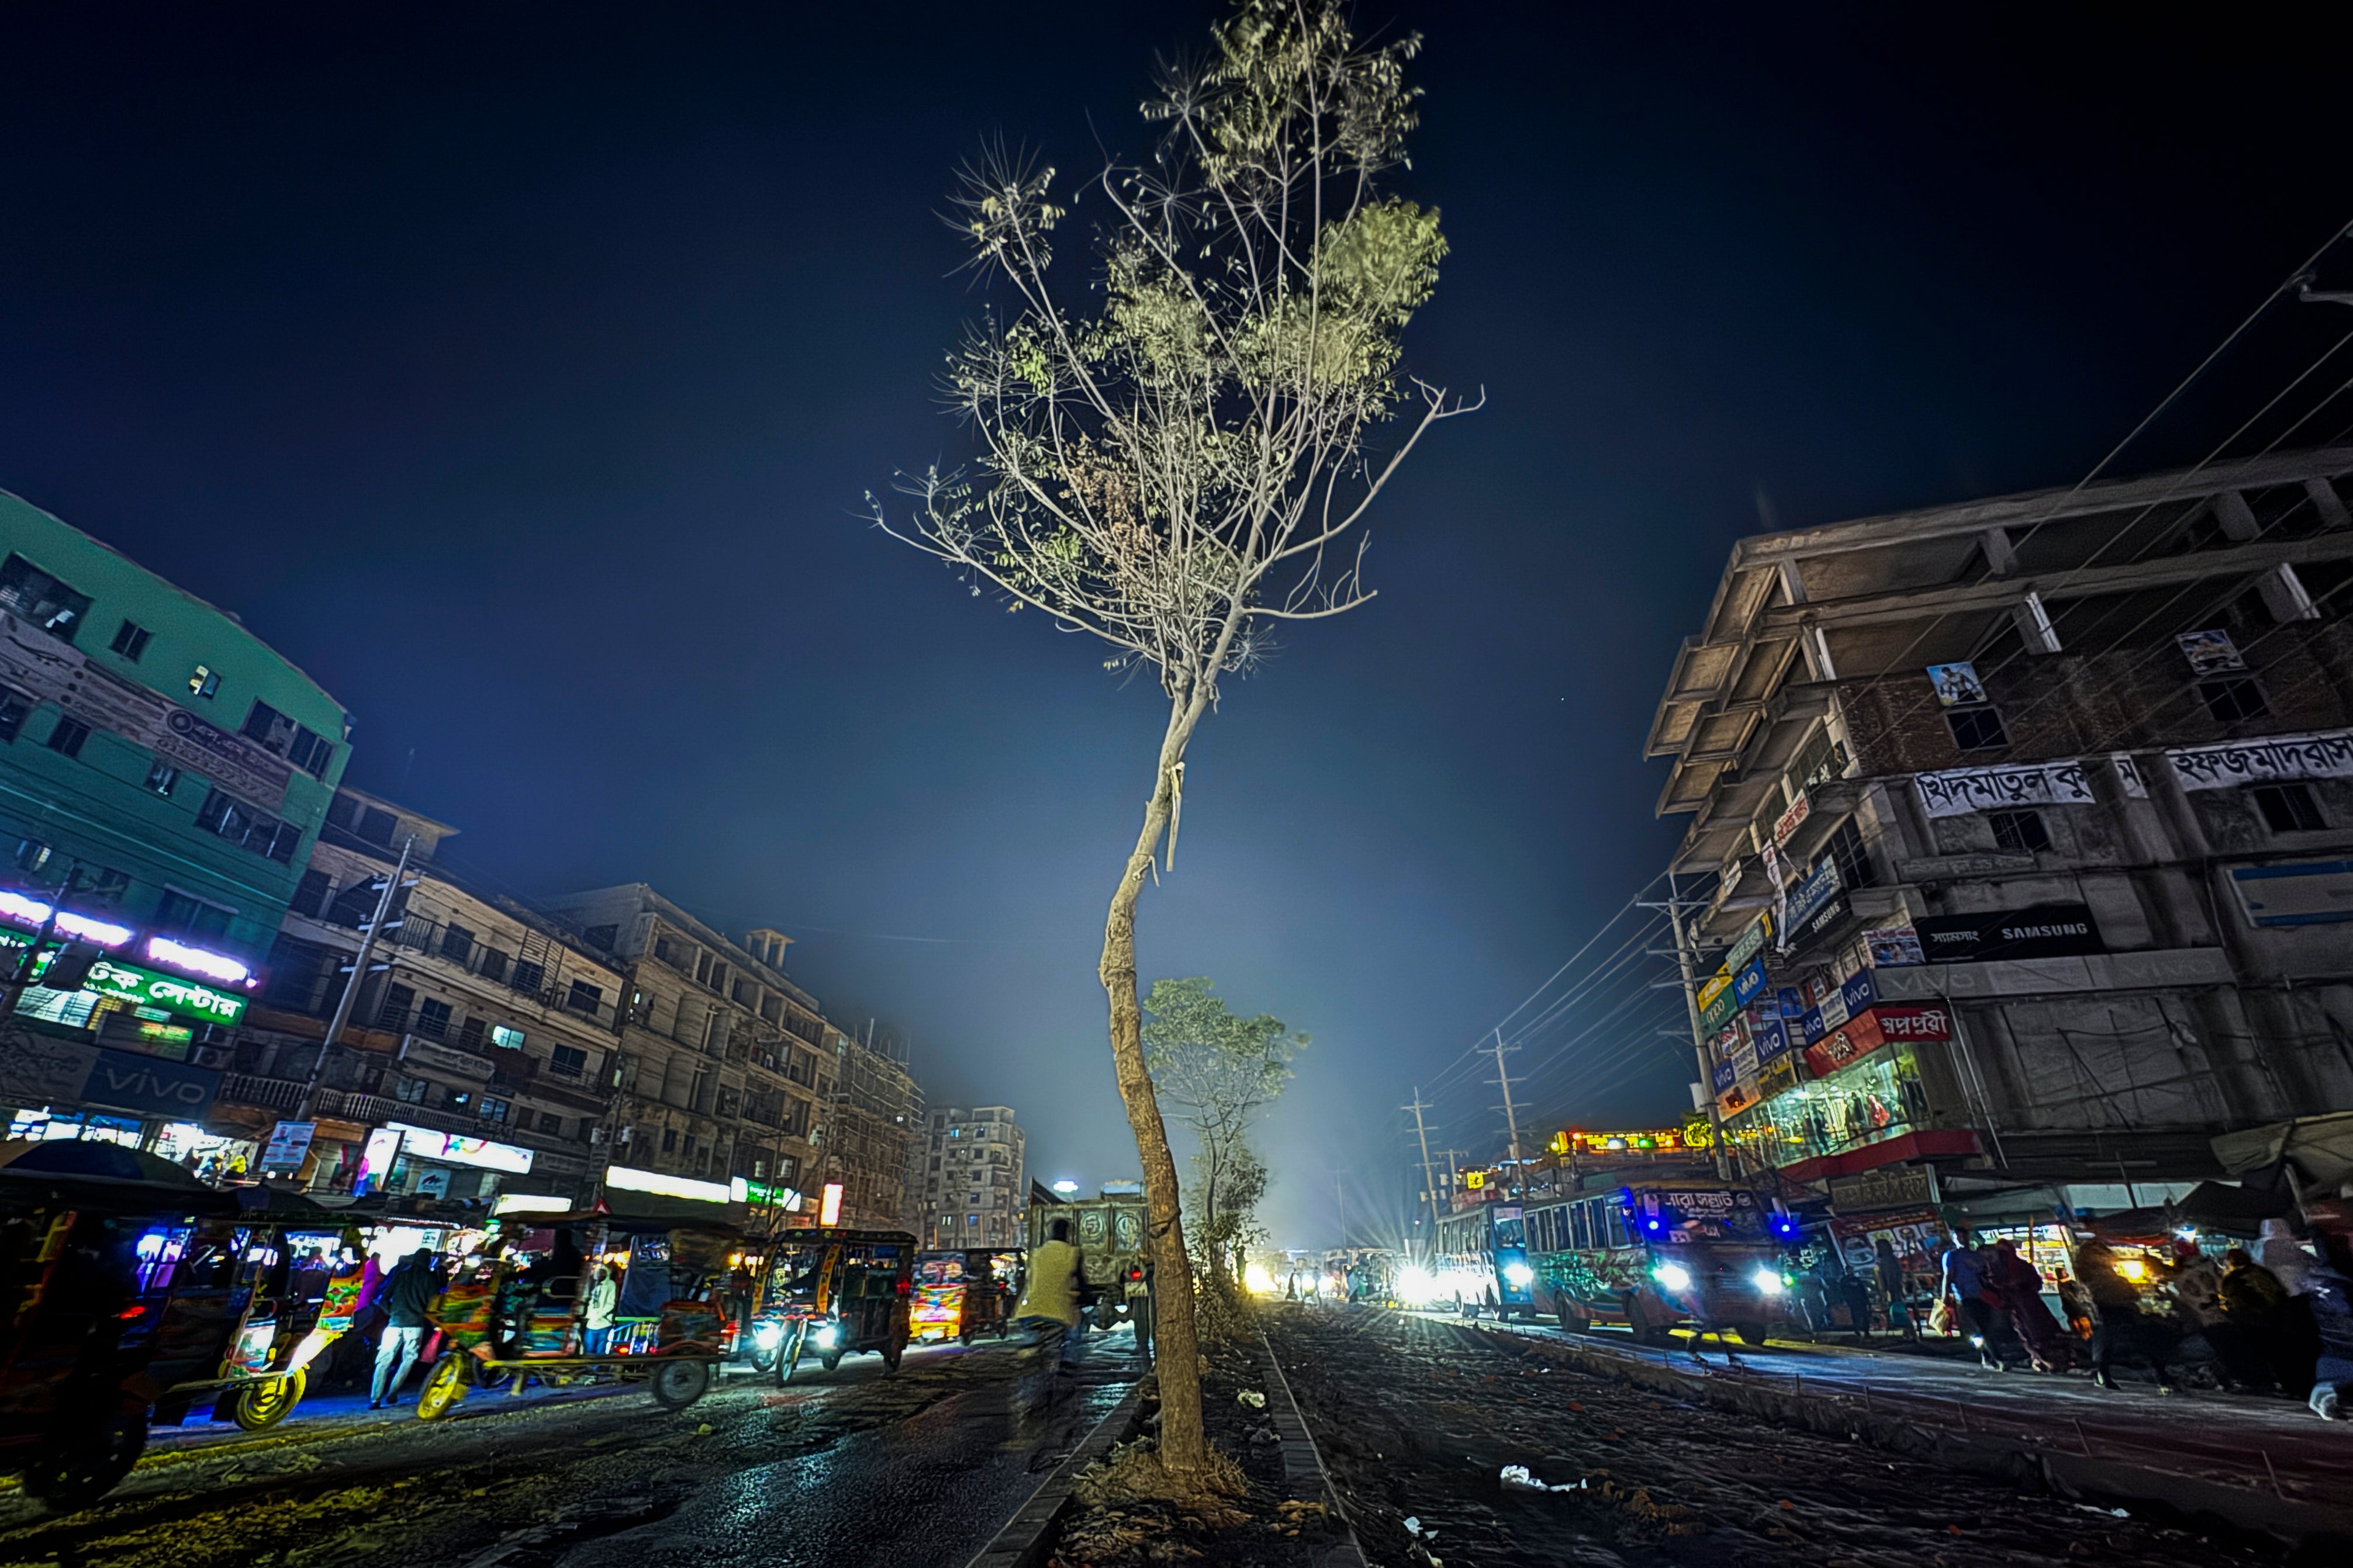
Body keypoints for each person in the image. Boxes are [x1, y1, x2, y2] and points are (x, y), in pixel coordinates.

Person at [371, 1247, 442, 1409]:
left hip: (394, 1324)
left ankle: (375, 1399)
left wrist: (393, 1313)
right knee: (408, 1360)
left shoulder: (401, 1275)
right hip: (415, 1325)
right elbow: (434, 1302)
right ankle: (392, 1393)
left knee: (383, 1361)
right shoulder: (430, 1278)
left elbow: (383, 1299)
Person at [2208, 1246, 2286, 1393]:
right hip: (2272, 1318)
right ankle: (2281, 1382)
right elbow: (2278, 1292)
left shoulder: (2233, 1279)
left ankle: (2260, 1382)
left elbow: (2227, 1299)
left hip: (2248, 1321)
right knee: (2275, 1353)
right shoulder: (2262, 1272)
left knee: (2255, 1353)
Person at [1988, 1239, 2071, 1372]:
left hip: (2029, 1304)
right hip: (2021, 1305)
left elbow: (2036, 1282)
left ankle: (2050, 1358)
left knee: (2037, 1331)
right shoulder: (1998, 1268)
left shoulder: (2018, 1266)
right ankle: (2043, 1358)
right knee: (2029, 1332)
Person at [1013, 1217, 1083, 1367]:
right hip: (1058, 1313)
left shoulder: (1036, 1253)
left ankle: (1029, 1348)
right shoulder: (1072, 1253)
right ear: (1068, 1233)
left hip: (1027, 1312)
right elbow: (1081, 1281)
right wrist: (1086, 1296)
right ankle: (1068, 1364)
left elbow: (1028, 1280)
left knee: (1030, 1339)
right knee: (1075, 1332)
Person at [1940, 1232, 2003, 1369]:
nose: (1962, 1239)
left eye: (1964, 1236)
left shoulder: (1977, 1256)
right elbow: (1948, 1276)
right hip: (1965, 1297)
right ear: (1954, 1239)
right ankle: (1994, 1357)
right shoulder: (1952, 1256)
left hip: (1983, 1295)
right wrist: (1945, 1296)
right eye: (1958, 1237)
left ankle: (1990, 1356)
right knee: (1976, 1329)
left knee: (1987, 1328)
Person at [583, 1264, 620, 1354]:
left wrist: (600, 1315)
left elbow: (611, 1304)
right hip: (591, 1323)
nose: (600, 1275)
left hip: (604, 1323)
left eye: (603, 1273)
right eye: (599, 1273)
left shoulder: (611, 1285)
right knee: (589, 1348)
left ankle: (597, 1367)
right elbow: (589, 1301)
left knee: (601, 1349)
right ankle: (588, 1367)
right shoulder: (593, 1285)